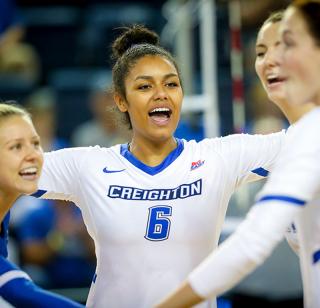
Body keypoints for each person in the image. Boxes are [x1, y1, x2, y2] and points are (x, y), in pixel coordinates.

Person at [35, 23, 306, 308]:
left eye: (171, 84)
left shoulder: (218, 158)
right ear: (121, 100)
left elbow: (307, 137)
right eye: (144, 86)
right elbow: (11, 169)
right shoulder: (89, 164)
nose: (161, 94)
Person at [155, 1, 320, 307]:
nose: (270, 60)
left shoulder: (312, 135)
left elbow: (250, 244)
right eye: (260, 52)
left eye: (286, 45)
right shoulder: (292, 138)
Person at [0, 101, 84, 307]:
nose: (33, 155)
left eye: (36, 143)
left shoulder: (4, 211)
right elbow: (18, 290)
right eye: (16, 146)